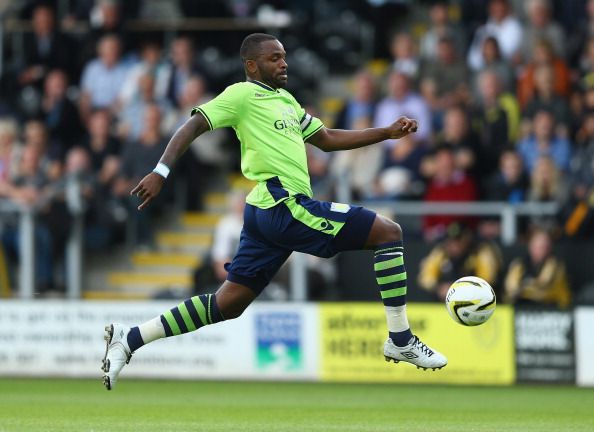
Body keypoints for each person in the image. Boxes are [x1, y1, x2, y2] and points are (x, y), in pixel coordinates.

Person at [101, 33, 447, 390]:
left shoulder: (286, 100)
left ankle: (130, 339)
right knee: (389, 232)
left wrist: (386, 133)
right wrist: (161, 172)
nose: (284, 63)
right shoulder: (240, 95)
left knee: (228, 304)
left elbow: (326, 138)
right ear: (252, 65)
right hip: (284, 204)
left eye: (284, 57)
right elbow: (193, 125)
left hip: (265, 212)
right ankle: (401, 339)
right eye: (274, 58)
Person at [504, 227, 571, 309]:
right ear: (530, 246)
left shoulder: (556, 264)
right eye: (539, 246)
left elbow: (543, 287)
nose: (543, 250)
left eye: (546, 246)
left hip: (556, 306)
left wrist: (524, 287)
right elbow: (511, 288)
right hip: (523, 305)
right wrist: (521, 291)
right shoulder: (519, 264)